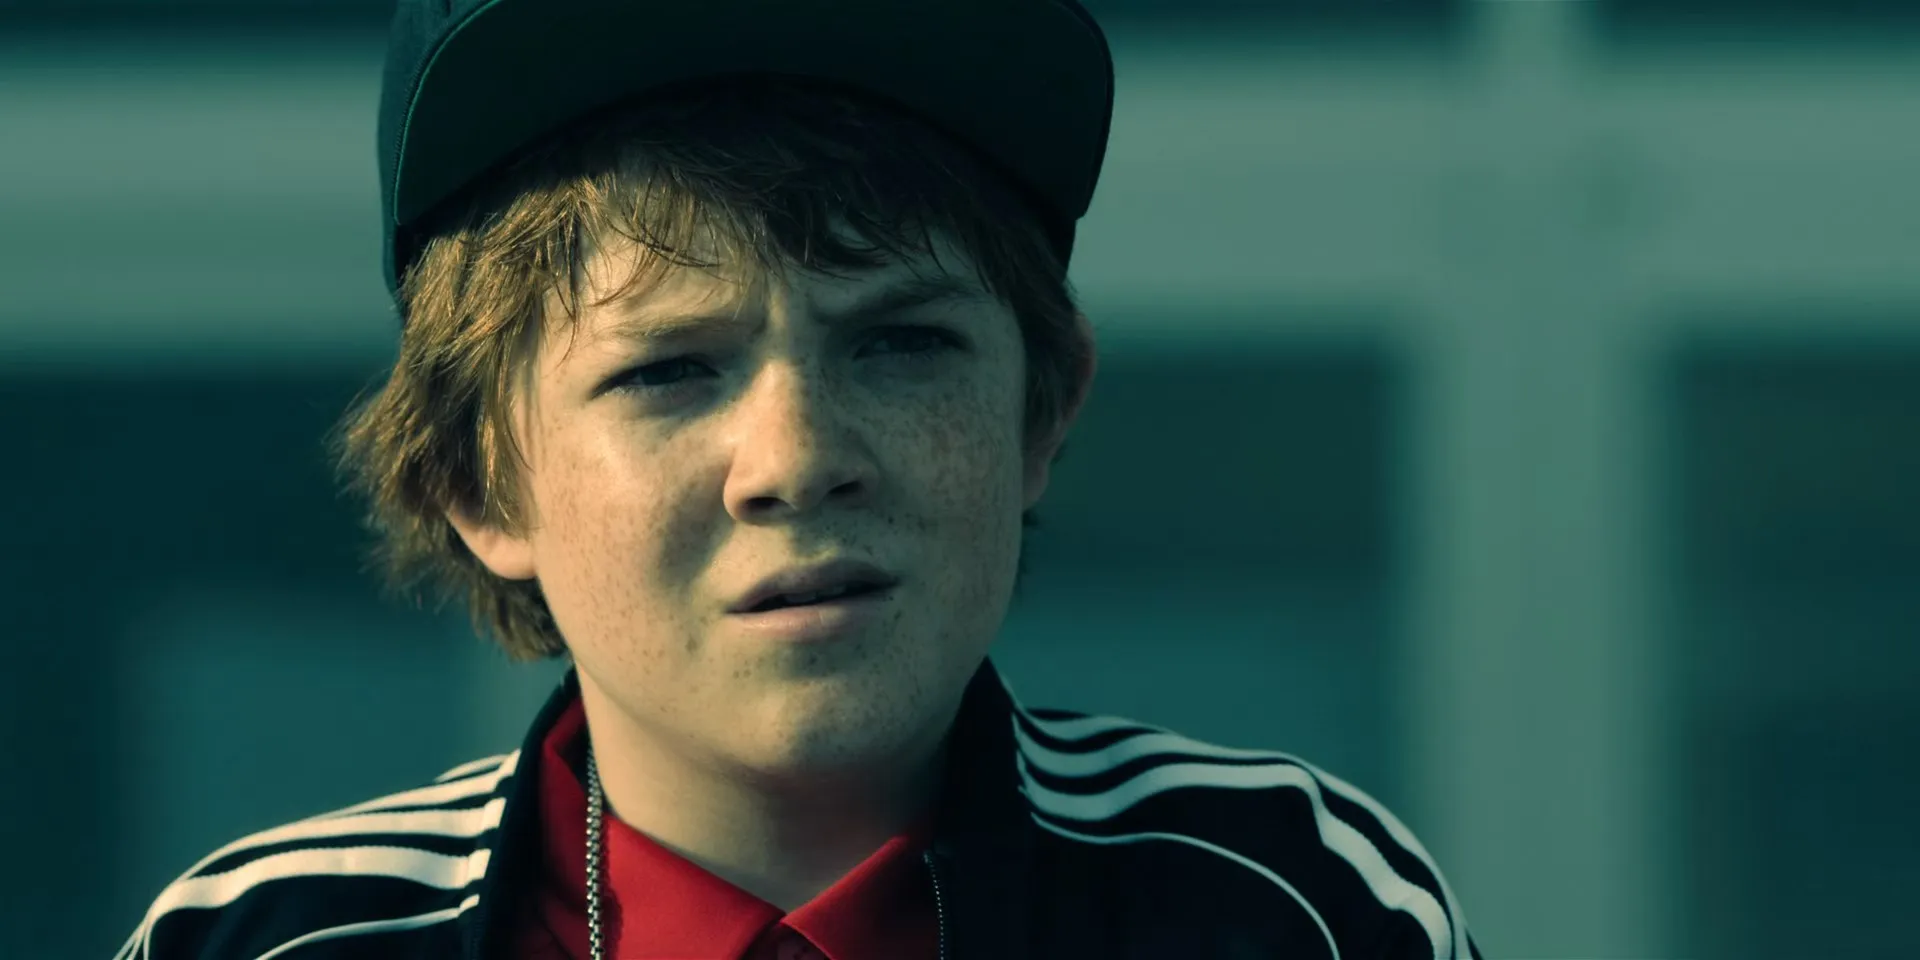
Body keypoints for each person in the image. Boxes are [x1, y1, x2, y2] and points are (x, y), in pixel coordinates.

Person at [115, 1, 1482, 957]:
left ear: (1040, 409)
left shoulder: (1293, 906)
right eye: (668, 371)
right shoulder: (256, 942)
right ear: (482, 480)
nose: (797, 459)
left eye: (900, 343)